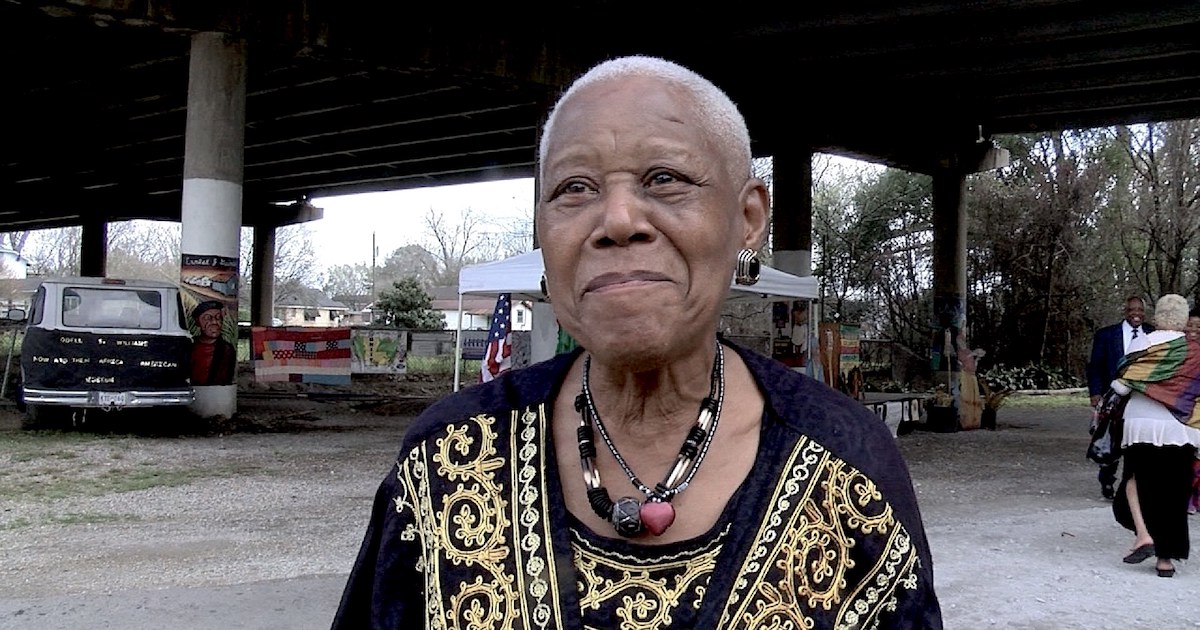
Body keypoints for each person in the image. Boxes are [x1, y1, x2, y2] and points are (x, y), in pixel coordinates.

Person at [333, 56, 942, 628]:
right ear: (543, 231)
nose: (618, 221)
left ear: (748, 218)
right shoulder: (448, 458)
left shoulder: (847, 465)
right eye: (574, 188)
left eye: (665, 178)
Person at [1108, 294, 1200, 578]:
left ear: (1157, 316)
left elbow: (1121, 387)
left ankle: (1145, 534)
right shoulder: (1195, 350)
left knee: (1136, 481)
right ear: (1184, 320)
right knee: (1175, 491)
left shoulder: (1142, 344)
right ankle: (1165, 560)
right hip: (1182, 427)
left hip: (1141, 424)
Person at [1087, 296, 1152, 499]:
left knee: (1138, 441)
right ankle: (1107, 481)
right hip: (1112, 395)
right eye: (1132, 310)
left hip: (1142, 397)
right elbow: (1095, 366)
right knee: (1111, 438)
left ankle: (1134, 485)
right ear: (1125, 311)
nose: (1137, 314)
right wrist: (1095, 393)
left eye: (1140, 310)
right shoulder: (1106, 335)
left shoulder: (1153, 334)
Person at [190, 300, 236, 386]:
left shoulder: (226, 349)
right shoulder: (189, 346)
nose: (214, 322)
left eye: (218, 318)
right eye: (208, 318)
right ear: (197, 322)